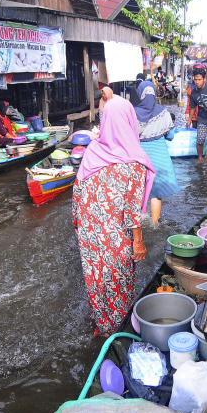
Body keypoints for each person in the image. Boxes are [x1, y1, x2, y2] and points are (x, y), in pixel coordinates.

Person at [73, 96, 155, 336]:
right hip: (116, 236)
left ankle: (100, 324)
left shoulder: (92, 151)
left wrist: (79, 227)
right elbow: (131, 209)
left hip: (88, 233)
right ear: (130, 120)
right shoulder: (134, 159)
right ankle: (116, 334)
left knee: (96, 280)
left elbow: (76, 194)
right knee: (119, 283)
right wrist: (138, 241)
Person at [132, 72, 180, 225]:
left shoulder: (132, 113)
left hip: (139, 158)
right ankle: (154, 224)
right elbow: (171, 136)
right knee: (156, 193)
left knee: (138, 191)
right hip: (159, 159)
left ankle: (137, 224)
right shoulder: (163, 112)